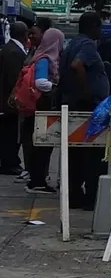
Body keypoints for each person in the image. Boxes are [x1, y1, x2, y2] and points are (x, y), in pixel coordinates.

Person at [63, 11, 111, 211]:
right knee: (94, 155)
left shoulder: (72, 44)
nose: (100, 31)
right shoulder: (88, 45)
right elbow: (77, 66)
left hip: (74, 104)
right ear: (92, 27)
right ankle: (92, 195)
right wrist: (88, 93)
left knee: (75, 154)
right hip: (89, 108)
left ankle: (75, 194)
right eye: (99, 26)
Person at [18, 25, 64, 191]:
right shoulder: (45, 58)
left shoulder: (40, 56)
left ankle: (37, 179)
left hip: (38, 108)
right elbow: (40, 82)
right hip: (41, 107)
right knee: (42, 145)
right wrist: (56, 86)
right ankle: (37, 181)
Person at [0, 20, 27, 175]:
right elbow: (14, 79)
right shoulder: (15, 52)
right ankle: (10, 162)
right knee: (10, 133)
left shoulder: (8, 48)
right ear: (24, 35)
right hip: (9, 103)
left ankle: (9, 161)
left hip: (6, 101)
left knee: (8, 132)